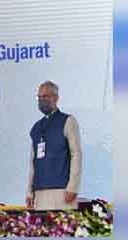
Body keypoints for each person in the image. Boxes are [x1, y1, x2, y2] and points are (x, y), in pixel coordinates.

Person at [26, 81, 82, 210]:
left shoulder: (68, 121)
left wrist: (73, 187)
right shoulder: (36, 127)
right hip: (40, 192)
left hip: (62, 191)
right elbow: (32, 162)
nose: (41, 100)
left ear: (56, 98)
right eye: (39, 97)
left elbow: (76, 154)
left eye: (45, 96)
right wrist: (29, 191)